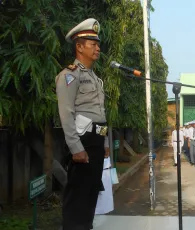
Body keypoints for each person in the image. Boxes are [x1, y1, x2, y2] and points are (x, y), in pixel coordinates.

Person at [55, 18, 109, 230]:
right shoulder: (69, 76)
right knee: (77, 197)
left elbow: (100, 113)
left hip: (96, 141)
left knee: (90, 194)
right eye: (92, 43)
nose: (98, 47)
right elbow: (66, 114)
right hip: (82, 141)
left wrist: (104, 141)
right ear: (79, 46)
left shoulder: (95, 79)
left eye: (98, 43)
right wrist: (76, 148)